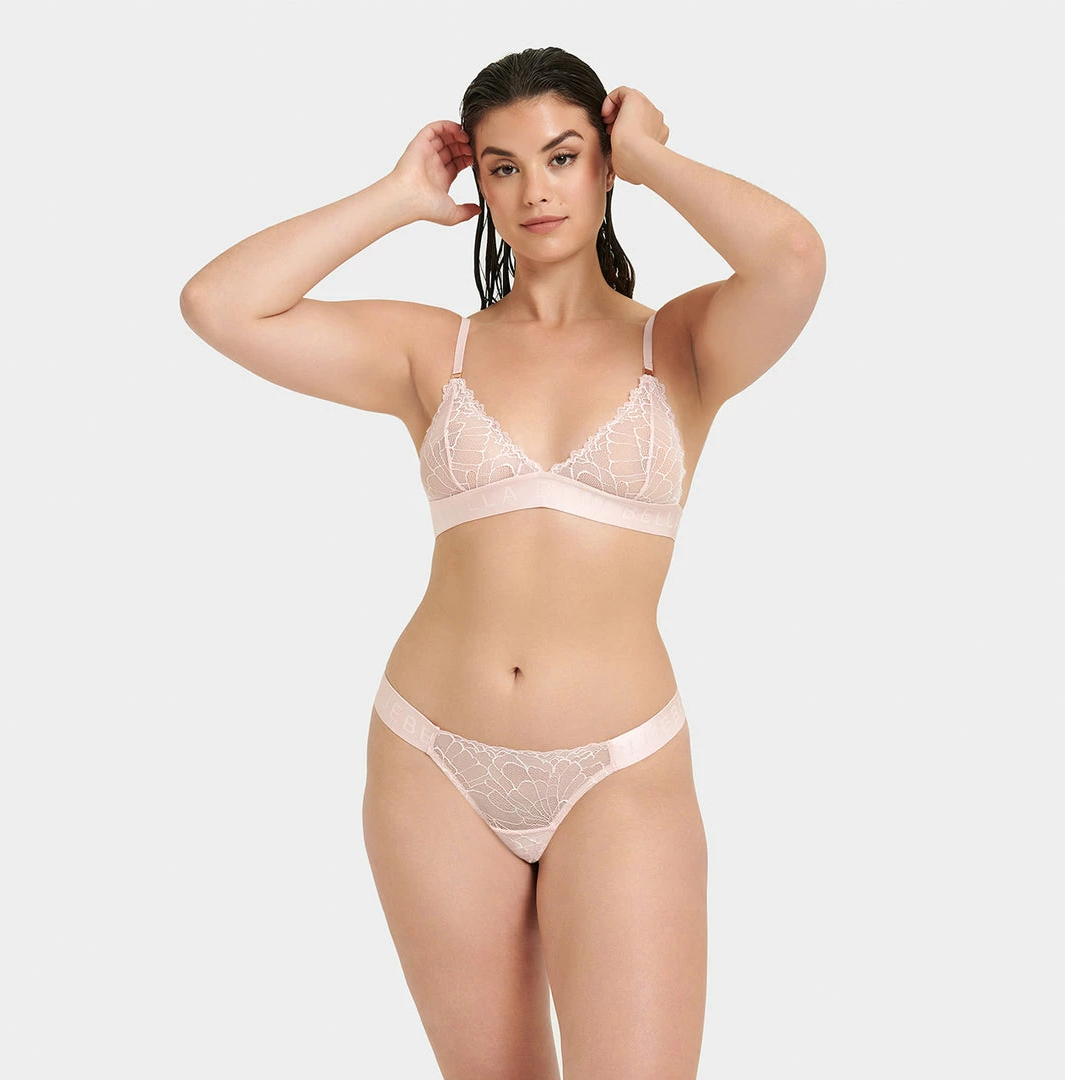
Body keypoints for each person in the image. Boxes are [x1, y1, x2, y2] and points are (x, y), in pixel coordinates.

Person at [179, 44, 825, 1080]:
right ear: (477, 184)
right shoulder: (435, 351)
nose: (535, 192)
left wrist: (653, 156)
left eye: (564, 157)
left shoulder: (686, 345)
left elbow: (792, 257)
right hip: (431, 762)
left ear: (603, 165)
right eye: (504, 167)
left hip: (620, 772)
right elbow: (220, 304)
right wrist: (396, 198)